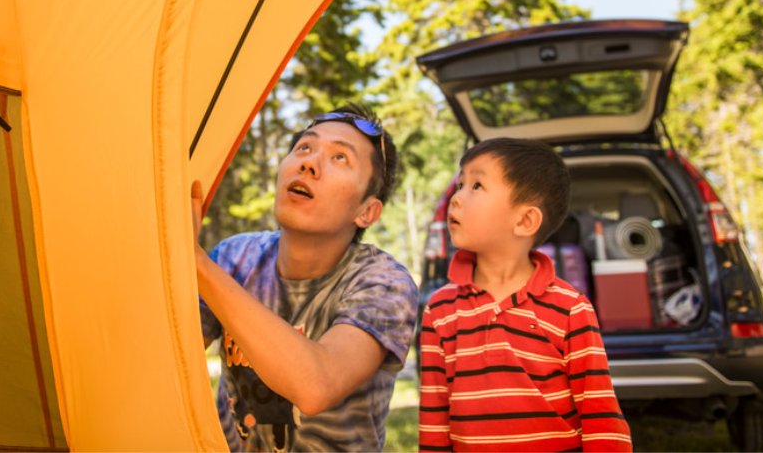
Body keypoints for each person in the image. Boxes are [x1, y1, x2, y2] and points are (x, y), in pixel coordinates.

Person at [193, 103, 418, 451]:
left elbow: (317, 386)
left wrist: (195, 262)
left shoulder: (383, 282)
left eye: (340, 158)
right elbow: (155, 353)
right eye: (304, 147)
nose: (308, 163)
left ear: (367, 211)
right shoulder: (234, 259)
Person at [418, 137, 632, 451]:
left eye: (476, 186)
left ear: (525, 220)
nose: (456, 198)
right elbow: (434, 419)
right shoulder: (440, 310)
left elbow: (600, 416)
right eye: (460, 184)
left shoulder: (571, 309)